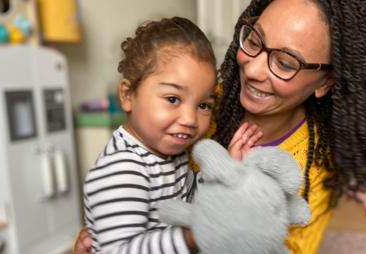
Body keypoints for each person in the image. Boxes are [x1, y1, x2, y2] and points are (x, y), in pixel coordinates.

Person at [74, 0, 366, 253]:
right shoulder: (201, 102)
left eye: (284, 62)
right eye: (254, 40)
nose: (251, 69)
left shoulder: (317, 166)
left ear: (325, 82)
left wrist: (226, 180)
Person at [82, 17, 263, 253]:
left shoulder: (168, 153)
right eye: (173, 99)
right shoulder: (122, 169)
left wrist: (226, 171)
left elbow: (190, 201)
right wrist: (193, 237)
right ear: (128, 95)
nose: (189, 119)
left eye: (204, 105)